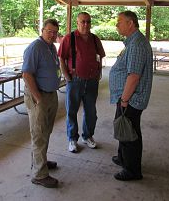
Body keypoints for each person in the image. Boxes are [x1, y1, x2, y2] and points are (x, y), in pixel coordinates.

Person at [109, 11, 153, 181]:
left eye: (119, 21)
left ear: (130, 23)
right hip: (127, 97)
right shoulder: (133, 42)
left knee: (130, 133)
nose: (116, 25)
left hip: (131, 98)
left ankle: (132, 170)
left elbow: (134, 76)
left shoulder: (136, 44)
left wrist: (125, 100)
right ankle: (122, 158)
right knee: (123, 128)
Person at [58, 12, 105, 153]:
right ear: (77, 23)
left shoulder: (95, 39)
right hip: (75, 81)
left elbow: (99, 57)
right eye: (83, 21)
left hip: (92, 81)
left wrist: (99, 72)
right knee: (72, 111)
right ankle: (72, 139)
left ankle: (88, 136)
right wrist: (67, 76)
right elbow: (61, 58)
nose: (86, 24)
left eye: (88, 22)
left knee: (91, 111)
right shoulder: (69, 38)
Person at [22, 19, 61, 188]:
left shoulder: (51, 47)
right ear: (42, 30)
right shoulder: (35, 48)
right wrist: (38, 98)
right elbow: (27, 74)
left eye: (55, 32)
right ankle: (39, 174)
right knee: (38, 134)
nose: (52, 35)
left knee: (45, 131)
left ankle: (41, 162)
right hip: (39, 96)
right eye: (49, 31)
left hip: (50, 94)